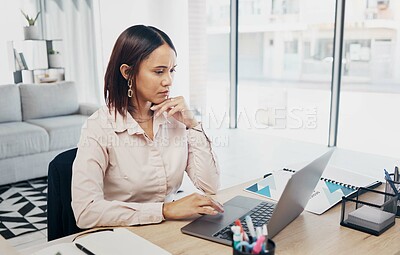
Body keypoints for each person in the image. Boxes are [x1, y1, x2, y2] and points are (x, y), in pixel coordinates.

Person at [71, 25, 224, 228]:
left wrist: (192, 124)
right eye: (159, 71)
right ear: (127, 72)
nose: (168, 81)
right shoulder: (99, 127)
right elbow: (86, 212)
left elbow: (210, 185)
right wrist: (164, 210)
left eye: (171, 71)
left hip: (167, 230)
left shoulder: (175, 118)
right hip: (121, 235)